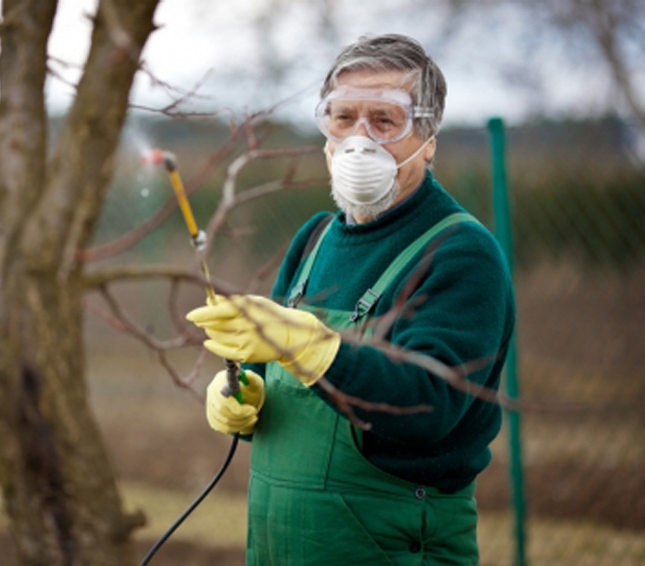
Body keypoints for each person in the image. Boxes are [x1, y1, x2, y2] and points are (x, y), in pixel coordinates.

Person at [187, 33, 515, 565]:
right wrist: (245, 394)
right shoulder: (315, 240)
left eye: (385, 121)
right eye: (342, 118)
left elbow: (428, 404)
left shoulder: (460, 252)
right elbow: (283, 380)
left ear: (428, 139)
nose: (359, 140)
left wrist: (314, 348)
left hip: (389, 547)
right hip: (280, 545)